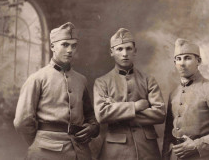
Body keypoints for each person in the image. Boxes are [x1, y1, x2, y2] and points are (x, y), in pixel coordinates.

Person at [14, 22, 99, 160]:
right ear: (52, 46)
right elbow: (22, 121)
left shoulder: (81, 80)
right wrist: (39, 143)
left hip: (80, 151)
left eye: (73, 45)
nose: (70, 50)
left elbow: (90, 115)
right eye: (65, 45)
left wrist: (93, 128)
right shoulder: (37, 78)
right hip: (46, 152)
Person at [93, 28, 166, 160]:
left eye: (128, 48)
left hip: (147, 150)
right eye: (119, 49)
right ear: (111, 52)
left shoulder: (148, 80)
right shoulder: (102, 82)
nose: (125, 53)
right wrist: (136, 106)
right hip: (115, 151)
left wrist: (117, 111)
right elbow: (102, 115)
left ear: (135, 51)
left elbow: (160, 114)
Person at [162, 38, 209, 160]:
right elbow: (168, 134)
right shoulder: (174, 93)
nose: (182, 63)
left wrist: (196, 145)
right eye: (178, 59)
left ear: (198, 61)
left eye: (187, 58)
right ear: (175, 62)